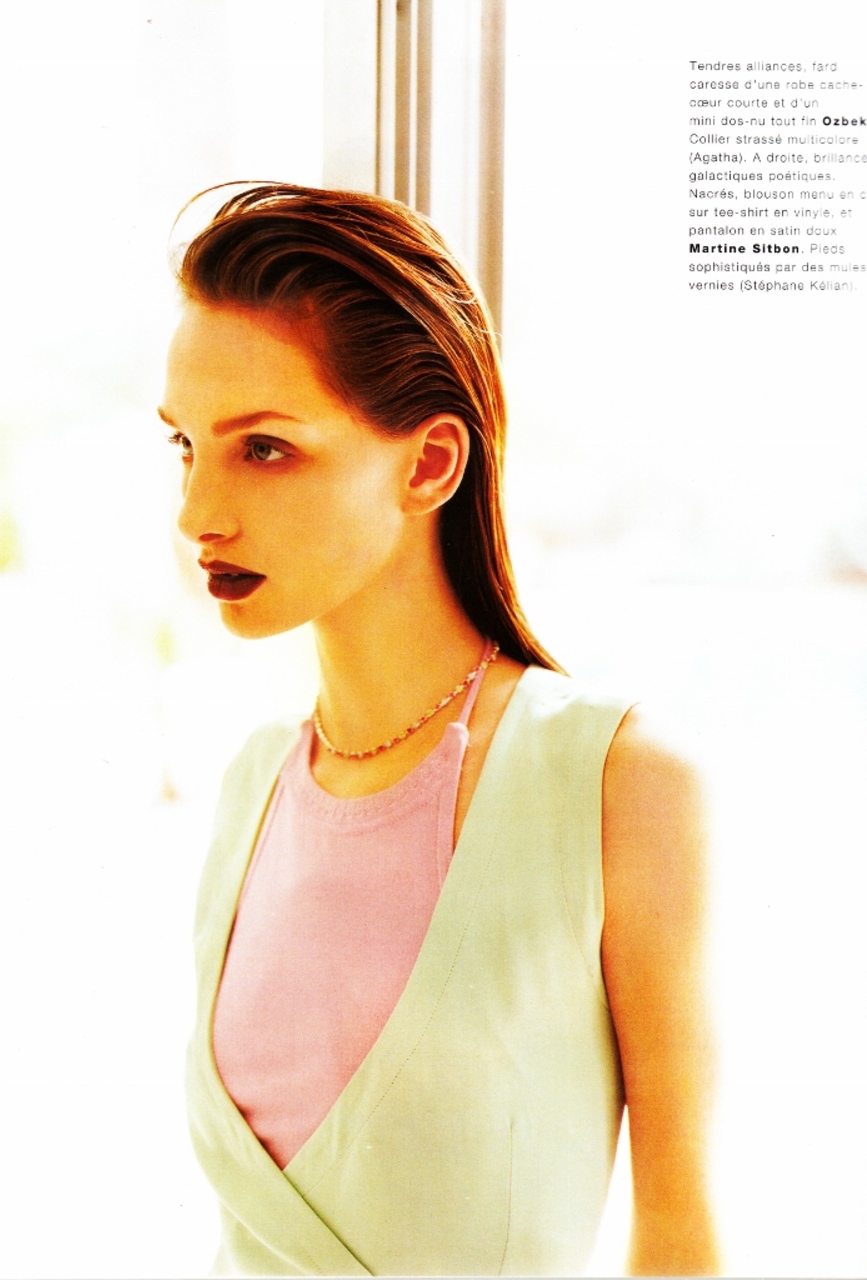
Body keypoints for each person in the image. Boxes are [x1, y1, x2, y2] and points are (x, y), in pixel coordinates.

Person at [160, 182, 720, 1276]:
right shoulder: (251, 783)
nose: (196, 514)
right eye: (185, 445)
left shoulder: (616, 779)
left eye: (263, 447)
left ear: (427, 464)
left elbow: (680, 1238)